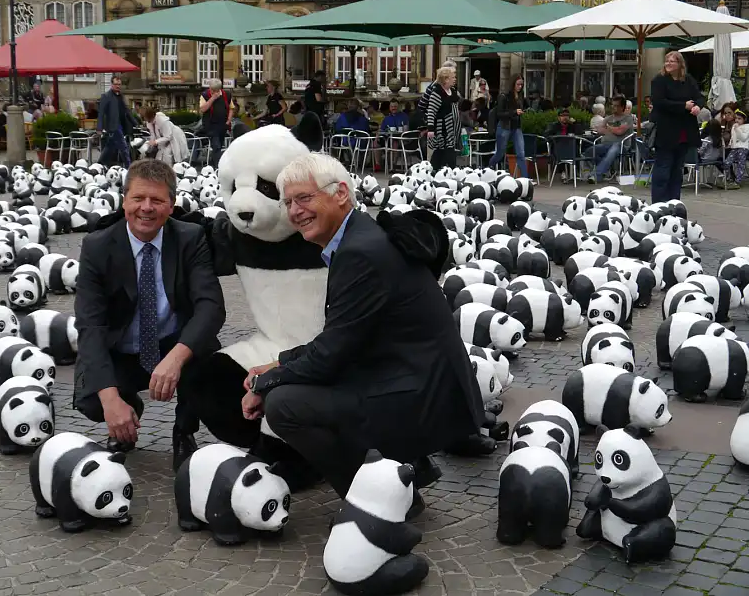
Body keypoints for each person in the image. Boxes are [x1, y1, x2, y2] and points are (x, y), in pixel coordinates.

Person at [239, 152, 486, 507]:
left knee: (285, 406)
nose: (294, 211)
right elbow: (342, 338)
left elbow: (330, 356)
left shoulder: (360, 252)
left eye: (304, 198)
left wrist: (267, 382)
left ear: (341, 193)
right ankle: (405, 470)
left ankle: (379, 500)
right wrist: (279, 365)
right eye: (288, 202)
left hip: (421, 393)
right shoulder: (362, 236)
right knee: (299, 387)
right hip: (417, 376)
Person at [73, 159, 226, 471]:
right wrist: (111, 400)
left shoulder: (190, 238)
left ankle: (184, 431)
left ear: (171, 205)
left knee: (208, 363)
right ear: (124, 200)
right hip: (122, 351)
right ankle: (127, 410)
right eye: (138, 198)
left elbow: (211, 307)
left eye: (157, 200)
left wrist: (176, 358)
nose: (146, 208)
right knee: (92, 400)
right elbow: (90, 325)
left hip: (172, 345)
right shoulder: (97, 246)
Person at [650, 51, 704, 203]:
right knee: (663, 170)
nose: (668, 63)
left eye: (672, 61)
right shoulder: (659, 80)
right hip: (666, 132)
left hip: (684, 132)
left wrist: (698, 107)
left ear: (680, 64)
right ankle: (659, 204)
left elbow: (699, 97)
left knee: (677, 171)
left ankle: (674, 203)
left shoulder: (688, 80)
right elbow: (659, 102)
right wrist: (684, 106)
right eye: (667, 61)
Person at [587, 96, 634, 184]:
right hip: (606, 144)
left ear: (622, 107)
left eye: (616, 106)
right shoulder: (608, 118)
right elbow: (600, 130)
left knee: (613, 150)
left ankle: (596, 175)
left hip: (621, 145)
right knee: (589, 152)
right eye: (613, 105)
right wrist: (613, 129)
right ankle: (606, 170)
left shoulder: (628, 118)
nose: (613, 107)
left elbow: (620, 132)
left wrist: (608, 127)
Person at [489, 75, 529, 179]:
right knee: (500, 153)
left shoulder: (520, 95)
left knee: (521, 153)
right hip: (504, 126)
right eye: (518, 84)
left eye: (521, 84)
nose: (520, 87)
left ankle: (525, 178)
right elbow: (500, 114)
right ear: (513, 84)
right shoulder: (504, 96)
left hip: (516, 127)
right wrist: (514, 112)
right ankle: (488, 168)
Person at [425, 66, 461, 172]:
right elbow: (431, 111)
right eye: (452, 77)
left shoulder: (452, 91)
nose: (455, 79)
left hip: (452, 128)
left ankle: (435, 171)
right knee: (445, 152)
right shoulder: (437, 93)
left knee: (442, 153)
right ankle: (450, 172)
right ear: (445, 79)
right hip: (442, 129)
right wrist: (431, 129)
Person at [97, 75, 136, 169]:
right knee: (123, 147)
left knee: (110, 147)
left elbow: (127, 110)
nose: (118, 86)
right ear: (111, 85)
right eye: (116, 84)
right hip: (113, 126)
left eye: (119, 84)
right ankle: (129, 167)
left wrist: (135, 123)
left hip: (121, 125)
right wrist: (99, 128)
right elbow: (101, 113)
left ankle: (99, 165)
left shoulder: (121, 96)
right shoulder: (106, 96)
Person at [199, 78, 234, 169]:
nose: (211, 91)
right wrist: (212, 98)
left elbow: (231, 108)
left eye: (213, 90)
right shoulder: (205, 95)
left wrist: (228, 120)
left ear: (219, 89)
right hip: (210, 125)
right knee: (216, 146)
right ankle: (218, 167)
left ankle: (212, 163)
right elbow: (203, 109)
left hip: (223, 125)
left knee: (219, 145)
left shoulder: (227, 94)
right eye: (210, 89)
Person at [723, 109, 748, 188]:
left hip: (743, 147)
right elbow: (733, 137)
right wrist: (730, 144)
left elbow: (743, 138)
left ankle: (738, 181)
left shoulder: (747, 127)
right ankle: (729, 178)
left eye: (739, 118)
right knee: (727, 162)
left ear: (744, 119)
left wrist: (737, 129)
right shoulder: (734, 126)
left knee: (741, 164)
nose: (737, 120)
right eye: (736, 118)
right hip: (734, 148)